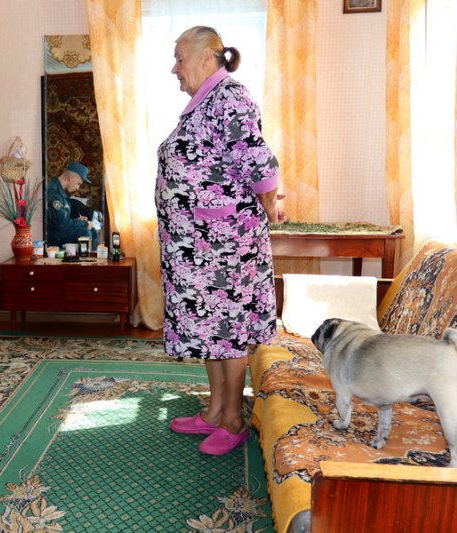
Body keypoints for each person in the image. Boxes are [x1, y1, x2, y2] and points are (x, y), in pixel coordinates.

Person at [155, 26, 287, 456]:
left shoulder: (229, 95)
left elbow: (255, 156)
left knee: (228, 330)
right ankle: (214, 411)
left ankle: (233, 419)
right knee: (211, 329)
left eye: (179, 57)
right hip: (201, 246)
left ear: (208, 56)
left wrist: (270, 203)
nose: (174, 68)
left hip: (223, 246)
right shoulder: (205, 101)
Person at [45, 161, 99, 249]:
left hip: (59, 230)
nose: (78, 188)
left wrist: (77, 220)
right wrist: (84, 224)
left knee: (93, 231)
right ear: (71, 177)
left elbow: (61, 218)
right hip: (53, 236)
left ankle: (92, 260)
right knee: (85, 232)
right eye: (78, 184)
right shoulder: (54, 193)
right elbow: (61, 224)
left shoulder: (60, 191)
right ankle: (85, 261)